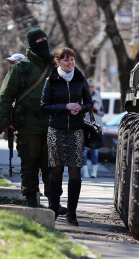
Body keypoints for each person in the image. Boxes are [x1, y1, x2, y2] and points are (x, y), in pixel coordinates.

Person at [0, 28, 66, 213]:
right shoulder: (22, 68)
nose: (43, 42)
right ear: (31, 43)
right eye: (39, 40)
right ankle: (32, 201)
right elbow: (5, 96)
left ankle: (54, 203)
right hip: (28, 126)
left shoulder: (57, 68)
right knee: (30, 166)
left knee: (52, 167)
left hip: (53, 127)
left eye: (45, 38)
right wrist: (4, 122)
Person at [41, 48, 93, 226]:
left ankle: (72, 213)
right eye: (66, 60)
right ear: (57, 62)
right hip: (56, 129)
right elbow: (44, 106)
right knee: (55, 170)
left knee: (75, 170)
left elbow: (89, 102)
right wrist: (65, 106)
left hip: (77, 130)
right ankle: (53, 209)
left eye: (72, 60)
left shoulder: (80, 78)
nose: (70, 63)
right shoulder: (52, 80)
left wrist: (81, 108)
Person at [82, 80, 104, 178]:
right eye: (89, 87)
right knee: (84, 151)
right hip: (86, 126)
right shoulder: (82, 96)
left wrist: (96, 109)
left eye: (92, 87)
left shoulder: (98, 97)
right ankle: (85, 172)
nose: (91, 89)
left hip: (96, 127)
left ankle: (94, 172)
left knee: (95, 151)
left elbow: (102, 113)